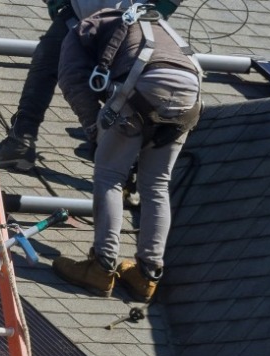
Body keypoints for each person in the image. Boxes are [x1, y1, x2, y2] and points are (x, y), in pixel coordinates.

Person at [51, 3, 201, 302]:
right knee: (156, 184)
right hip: (190, 93)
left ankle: (101, 267)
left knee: (109, 177)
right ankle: (146, 275)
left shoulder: (83, 28)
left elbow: (73, 82)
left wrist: (96, 132)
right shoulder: (153, 21)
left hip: (144, 85)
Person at [0, 0, 180, 172]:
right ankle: (21, 139)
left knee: (123, 88)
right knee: (47, 60)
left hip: (132, 23)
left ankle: (117, 154)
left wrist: (160, 10)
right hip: (78, 13)